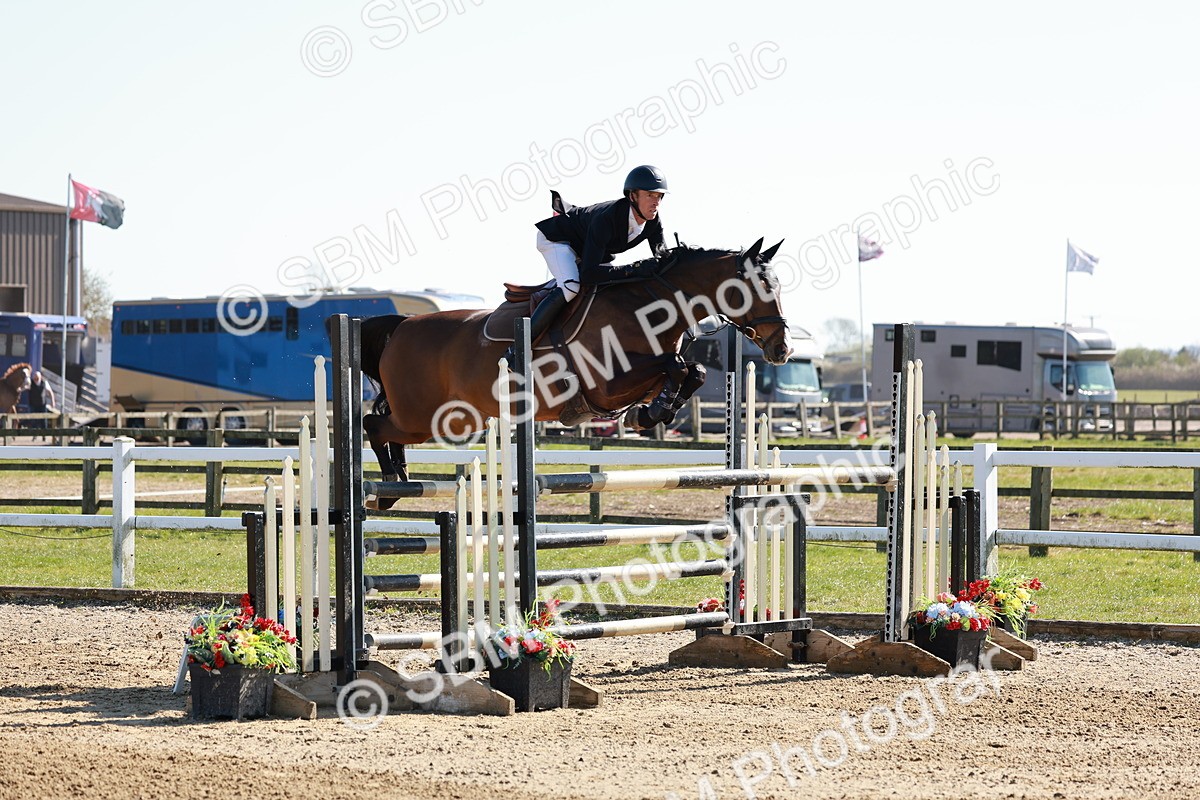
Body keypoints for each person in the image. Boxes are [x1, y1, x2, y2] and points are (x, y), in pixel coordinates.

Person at [503, 165, 669, 362]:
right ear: (633, 196)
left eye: (659, 196)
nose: (656, 202)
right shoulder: (607, 218)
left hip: (586, 247)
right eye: (650, 195)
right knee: (571, 286)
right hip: (559, 240)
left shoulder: (653, 222)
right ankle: (517, 349)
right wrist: (634, 269)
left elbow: (663, 259)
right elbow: (589, 274)